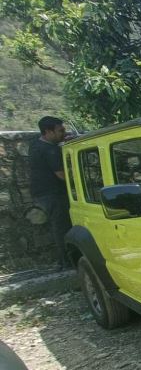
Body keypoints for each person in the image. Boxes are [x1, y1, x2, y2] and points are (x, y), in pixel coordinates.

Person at [29, 116, 71, 270]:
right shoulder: (50, 150)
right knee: (63, 227)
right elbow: (62, 175)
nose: (64, 134)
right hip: (54, 194)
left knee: (57, 227)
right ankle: (67, 262)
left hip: (41, 194)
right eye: (60, 131)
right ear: (48, 131)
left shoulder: (35, 145)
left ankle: (65, 260)